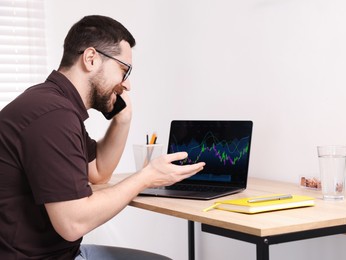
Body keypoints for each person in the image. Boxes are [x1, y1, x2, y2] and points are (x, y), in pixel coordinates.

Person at [0, 15, 205, 259]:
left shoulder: (54, 103)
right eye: (123, 70)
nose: (126, 85)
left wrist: (123, 119)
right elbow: (72, 223)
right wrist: (147, 176)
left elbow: (97, 171)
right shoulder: (53, 115)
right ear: (91, 59)